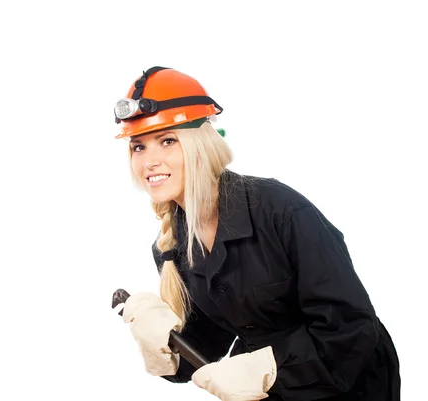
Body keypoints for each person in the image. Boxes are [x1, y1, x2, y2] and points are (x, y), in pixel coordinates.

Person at [114, 66, 401, 401]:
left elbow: (351, 330)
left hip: (352, 386)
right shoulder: (172, 246)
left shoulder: (280, 210)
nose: (150, 161)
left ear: (201, 144)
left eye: (167, 141)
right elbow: (211, 341)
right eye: (139, 147)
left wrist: (267, 369)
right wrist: (166, 343)